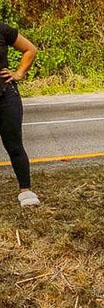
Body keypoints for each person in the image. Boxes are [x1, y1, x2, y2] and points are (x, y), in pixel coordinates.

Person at [0, 22, 37, 207]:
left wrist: (19, 73)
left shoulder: (2, 29)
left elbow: (30, 49)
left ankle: (26, 190)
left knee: (14, 145)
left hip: (6, 96)